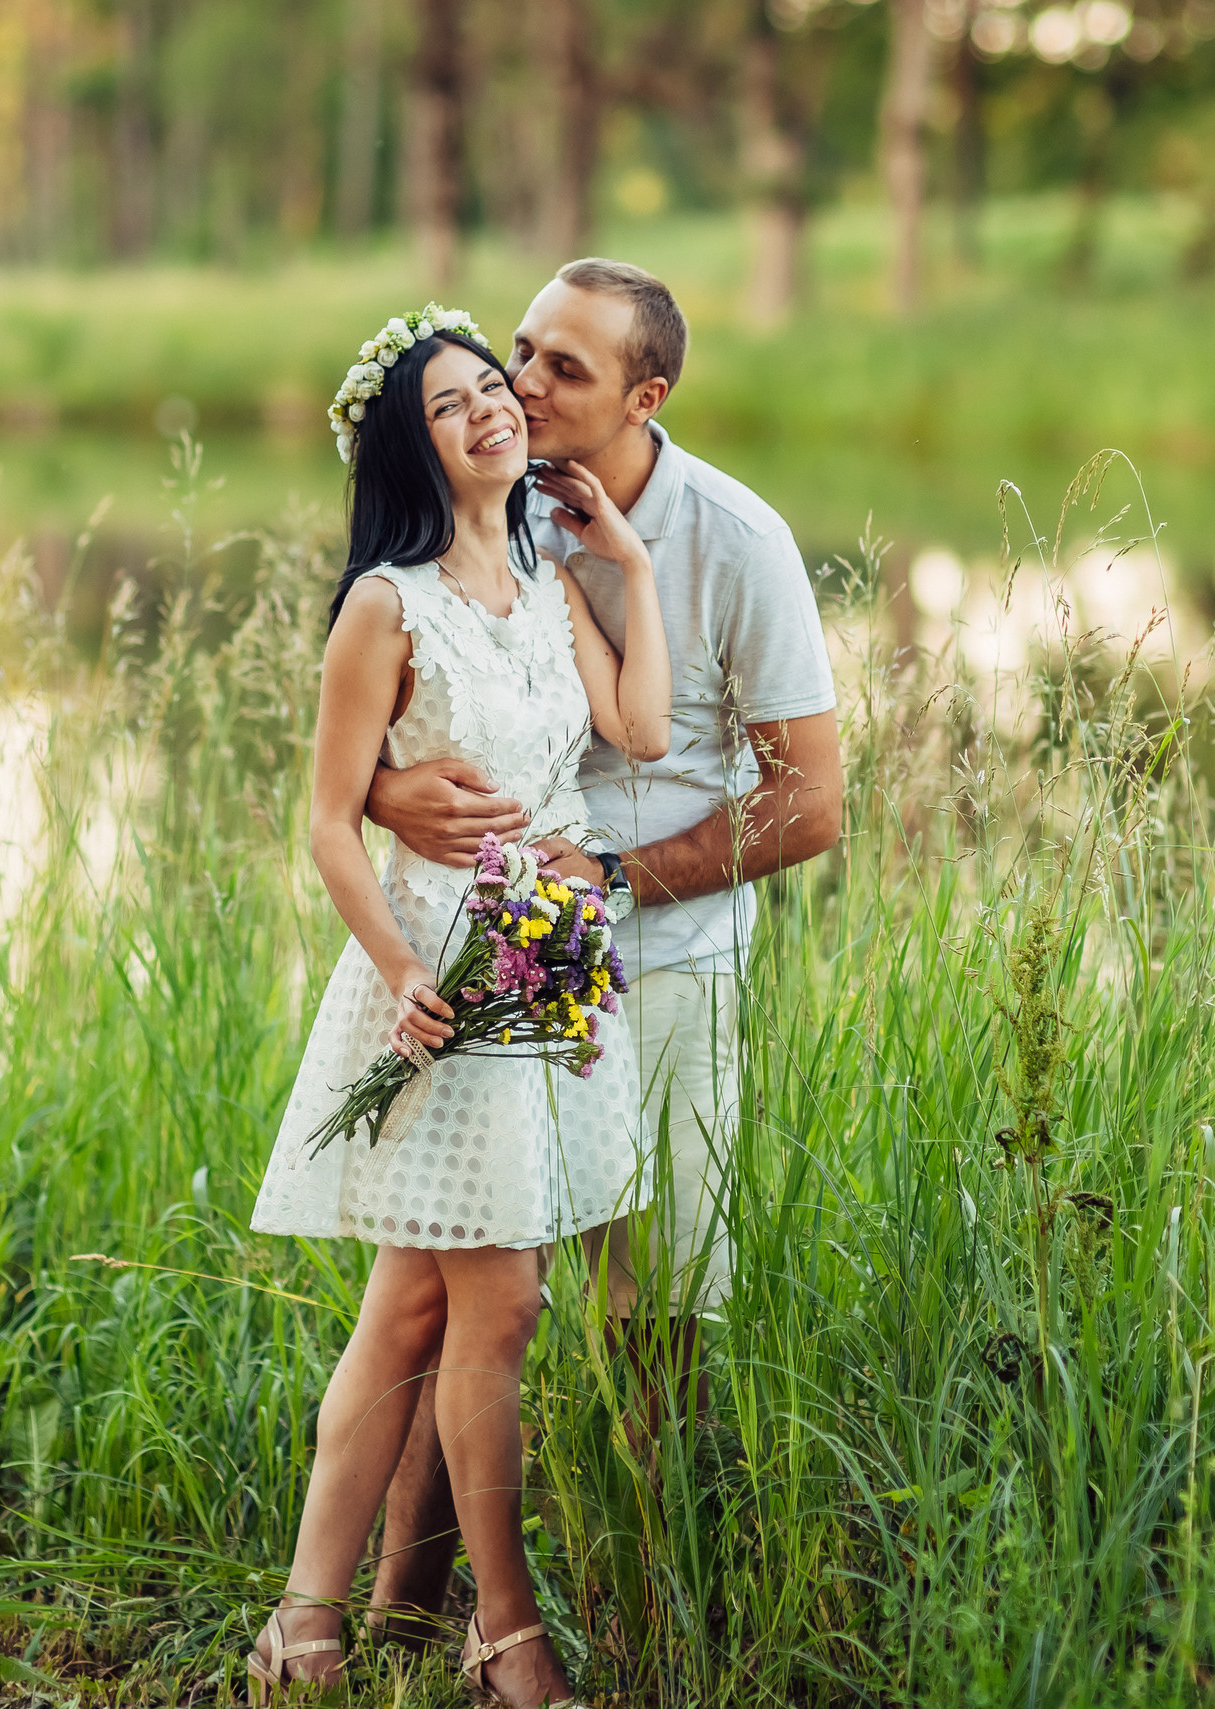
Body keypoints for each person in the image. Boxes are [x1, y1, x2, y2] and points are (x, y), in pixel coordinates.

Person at [361, 259, 845, 1633]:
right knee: (468, 1283)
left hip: (671, 956)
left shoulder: (737, 541)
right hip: (496, 945)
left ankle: (653, 1600)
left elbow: (813, 798)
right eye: (521, 350)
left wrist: (622, 878)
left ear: (648, 395)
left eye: (564, 367)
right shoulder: (478, 504)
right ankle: (402, 1605)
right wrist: (394, 792)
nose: (521, 384)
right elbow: (381, 698)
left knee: (657, 1306)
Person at [241, 300, 671, 1709]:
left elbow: (642, 729)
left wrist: (632, 565)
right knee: (505, 1299)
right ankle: (508, 1630)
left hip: (546, 961)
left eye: (496, 386)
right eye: (451, 403)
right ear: (413, 450)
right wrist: (403, 971)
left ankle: (306, 1620)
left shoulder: (551, 580)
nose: (492, 407)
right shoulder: (386, 602)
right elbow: (324, 824)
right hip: (439, 972)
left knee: (411, 1307)